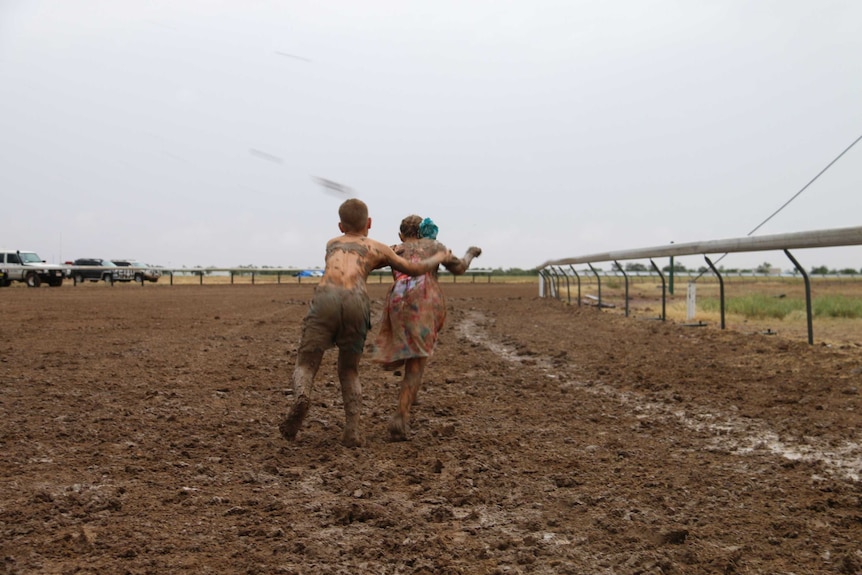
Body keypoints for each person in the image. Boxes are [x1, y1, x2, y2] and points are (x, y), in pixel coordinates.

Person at [279, 199, 451, 448]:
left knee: (306, 363)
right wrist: (438, 256)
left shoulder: (331, 244)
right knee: (349, 370)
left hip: (326, 297)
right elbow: (412, 268)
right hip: (356, 302)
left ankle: (303, 396)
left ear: (340, 226)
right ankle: (352, 433)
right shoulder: (377, 247)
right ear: (369, 223)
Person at [371, 214, 481, 441]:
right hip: (423, 299)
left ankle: (410, 392)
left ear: (401, 234)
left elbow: (368, 263)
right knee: (417, 362)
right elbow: (459, 268)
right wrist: (470, 253)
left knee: (410, 353)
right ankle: (401, 416)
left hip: (397, 299)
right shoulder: (434, 246)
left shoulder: (395, 249)